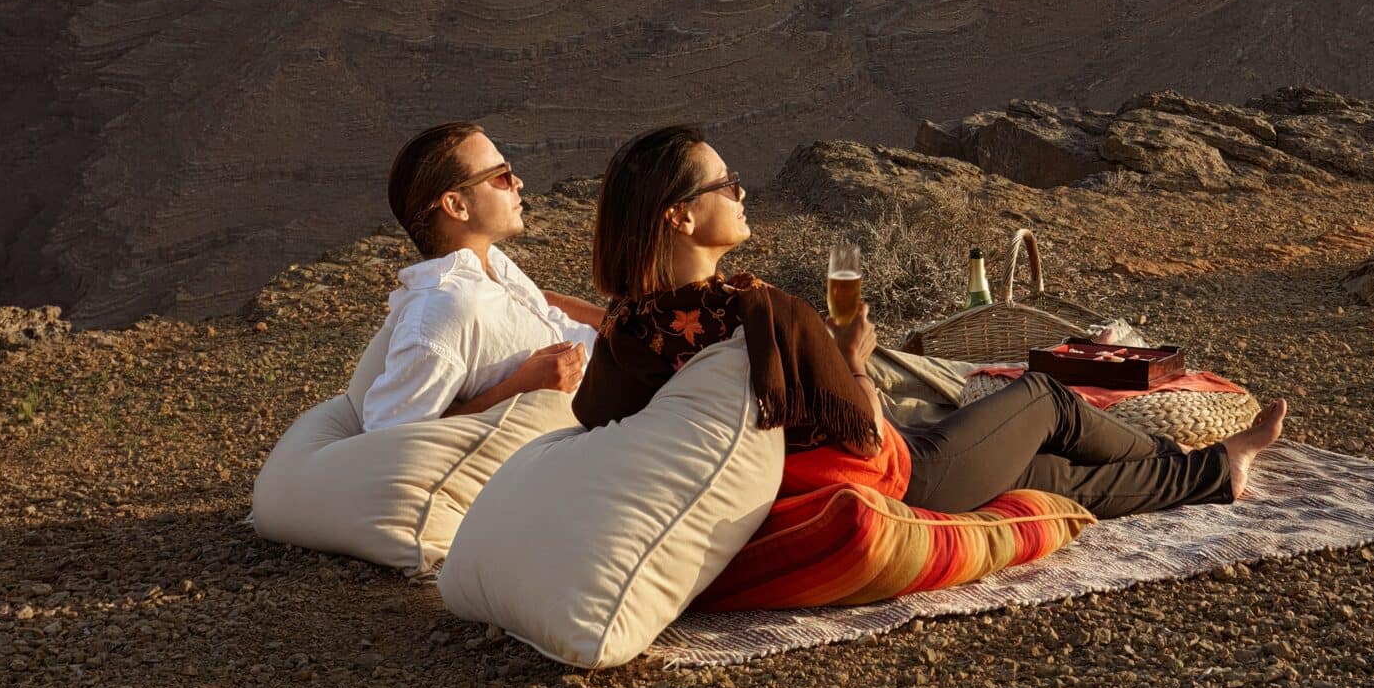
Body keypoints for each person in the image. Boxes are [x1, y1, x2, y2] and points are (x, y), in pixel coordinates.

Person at [571, 123, 1287, 518]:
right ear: (682, 215)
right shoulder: (748, 309)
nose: (742, 191)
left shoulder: (631, 324)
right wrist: (850, 355)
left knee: (1049, 477)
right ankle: (1204, 465)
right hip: (891, 475)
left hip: (814, 479)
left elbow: (598, 418)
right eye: (726, 183)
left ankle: (1216, 470)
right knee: (1048, 399)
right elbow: (858, 423)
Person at [358, 121, 604, 433]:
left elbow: (540, 303)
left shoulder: (485, 261)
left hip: (628, 355)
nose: (518, 182)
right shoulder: (446, 310)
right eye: (500, 176)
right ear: (456, 205)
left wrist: (616, 322)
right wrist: (519, 387)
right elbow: (389, 434)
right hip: (626, 408)